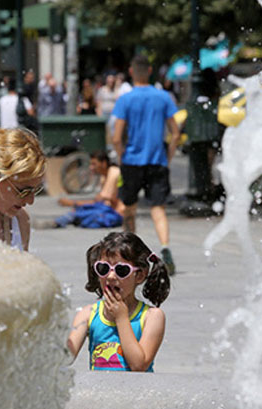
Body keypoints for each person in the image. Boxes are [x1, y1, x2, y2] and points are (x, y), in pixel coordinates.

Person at [112, 55, 180, 275]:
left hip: (132, 160)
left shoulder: (126, 99)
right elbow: (175, 133)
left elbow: (116, 137)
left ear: (131, 71)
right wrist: (167, 157)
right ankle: (165, 248)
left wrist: (122, 158)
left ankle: (128, 251)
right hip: (157, 160)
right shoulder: (163, 97)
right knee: (158, 208)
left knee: (129, 207)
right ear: (150, 70)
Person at [67, 231, 171, 372]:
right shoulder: (88, 314)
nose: (110, 276)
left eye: (121, 270)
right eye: (103, 269)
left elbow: (139, 365)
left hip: (137, 393)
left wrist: (121, 318)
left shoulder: (152, 317)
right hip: (100, 393)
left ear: (140, 275)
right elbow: (66, 357)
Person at [52, 150, 124, 228]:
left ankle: (63, 220)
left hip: (116, 214)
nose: (91, 167)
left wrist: (72, 203)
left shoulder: (114, 172)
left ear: (104, 163)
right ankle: (67, 220)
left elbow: (101, 201)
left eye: (94, 164)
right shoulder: (103, 177)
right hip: (108, 211)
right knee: (83, 211)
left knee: (90, 213)